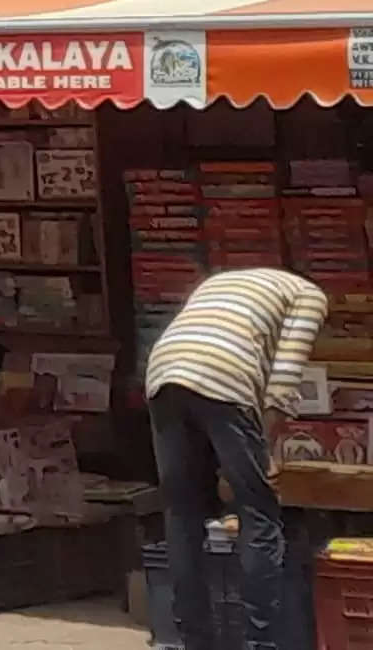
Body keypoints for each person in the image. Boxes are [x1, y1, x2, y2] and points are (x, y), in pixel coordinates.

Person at [147, 264, 330, 650]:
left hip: (164, 371)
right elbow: (282, 382)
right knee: (259, 514)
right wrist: (264, 453)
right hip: (225, 374)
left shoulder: (220, 283)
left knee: (183, 514)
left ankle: (194, 641)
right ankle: (260, 642)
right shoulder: (310, 296)